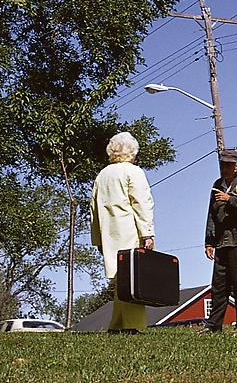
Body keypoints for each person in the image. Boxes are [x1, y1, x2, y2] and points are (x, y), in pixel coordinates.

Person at [90, 131, 155, 333]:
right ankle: (133, 325)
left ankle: (117, 325)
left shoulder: (102, 174)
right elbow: (142, 203)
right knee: (134, 279)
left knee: (121, 279)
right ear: (132, 152)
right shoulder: (133, 172)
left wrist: (98, 239)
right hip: (129, 231)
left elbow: (93, 208)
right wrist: (148, 233)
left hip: (108, 233)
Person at [201, 149, 237, 333]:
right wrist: (209, 241)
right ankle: (213, 326)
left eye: (228, 165)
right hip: (222, 243)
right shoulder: (217, 184)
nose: (224, 168)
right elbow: (211, 215)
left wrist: (230, 199)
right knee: (219, 287)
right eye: (222, 165)